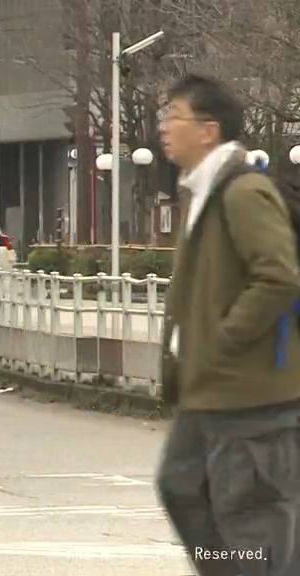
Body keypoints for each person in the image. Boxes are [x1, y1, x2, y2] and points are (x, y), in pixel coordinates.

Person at [156, 74, 300, 576]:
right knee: (181, 485)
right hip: (209, 392)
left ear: (209, 130)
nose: (163, 127)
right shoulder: (200, 193)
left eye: (174, 115)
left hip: (251, 396)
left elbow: (278, 278)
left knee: (250, 517)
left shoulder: (242, 192)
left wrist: (225, 340)